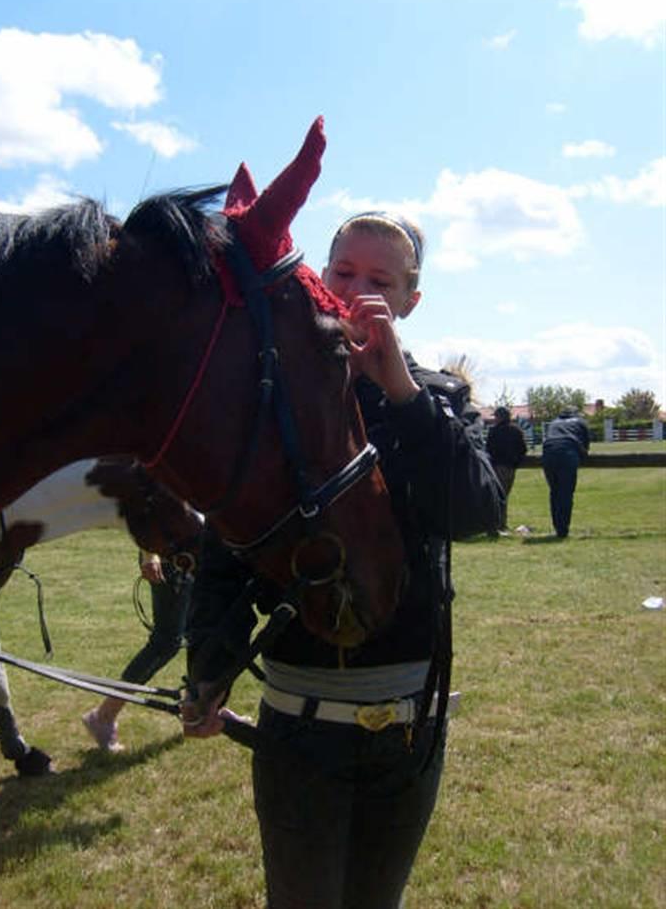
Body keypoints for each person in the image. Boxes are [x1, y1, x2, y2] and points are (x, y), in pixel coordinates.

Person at [182, 211, 503, 909]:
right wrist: (210, 668)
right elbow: (227, 548)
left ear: (412, 301)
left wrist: (402, 394)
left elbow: (479, 513)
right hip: (300, 721)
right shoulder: (277, 404)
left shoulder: (438, 401)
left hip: (412, 722)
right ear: (318, 279)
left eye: (380, 282)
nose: (358, 292)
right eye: (343, 273)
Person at [82, 549, 192, 751]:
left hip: (196, 553)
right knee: (165, 643)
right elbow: (149, 517)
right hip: (172, 557)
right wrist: (150, 554)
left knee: (203, 631)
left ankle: (200, 709)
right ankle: (104, 715)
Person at [542, 406, 590, 539]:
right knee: (566, 493)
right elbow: (586, 446)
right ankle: (563, 530)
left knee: (554, 492)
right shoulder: (580, 422)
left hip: (548, 452)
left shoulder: (553, 422)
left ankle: (558, 527)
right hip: (568, 452)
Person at [485, 406, 528, 531]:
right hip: (510, 467)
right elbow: (523, 449)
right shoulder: (516, 431)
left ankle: (496, 524)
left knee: (496, 496)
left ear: (500, 417)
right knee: (504, 495)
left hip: (495, 467)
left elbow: (488, 449)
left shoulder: (493, 431)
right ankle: (500, 524)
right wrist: (516, 463)